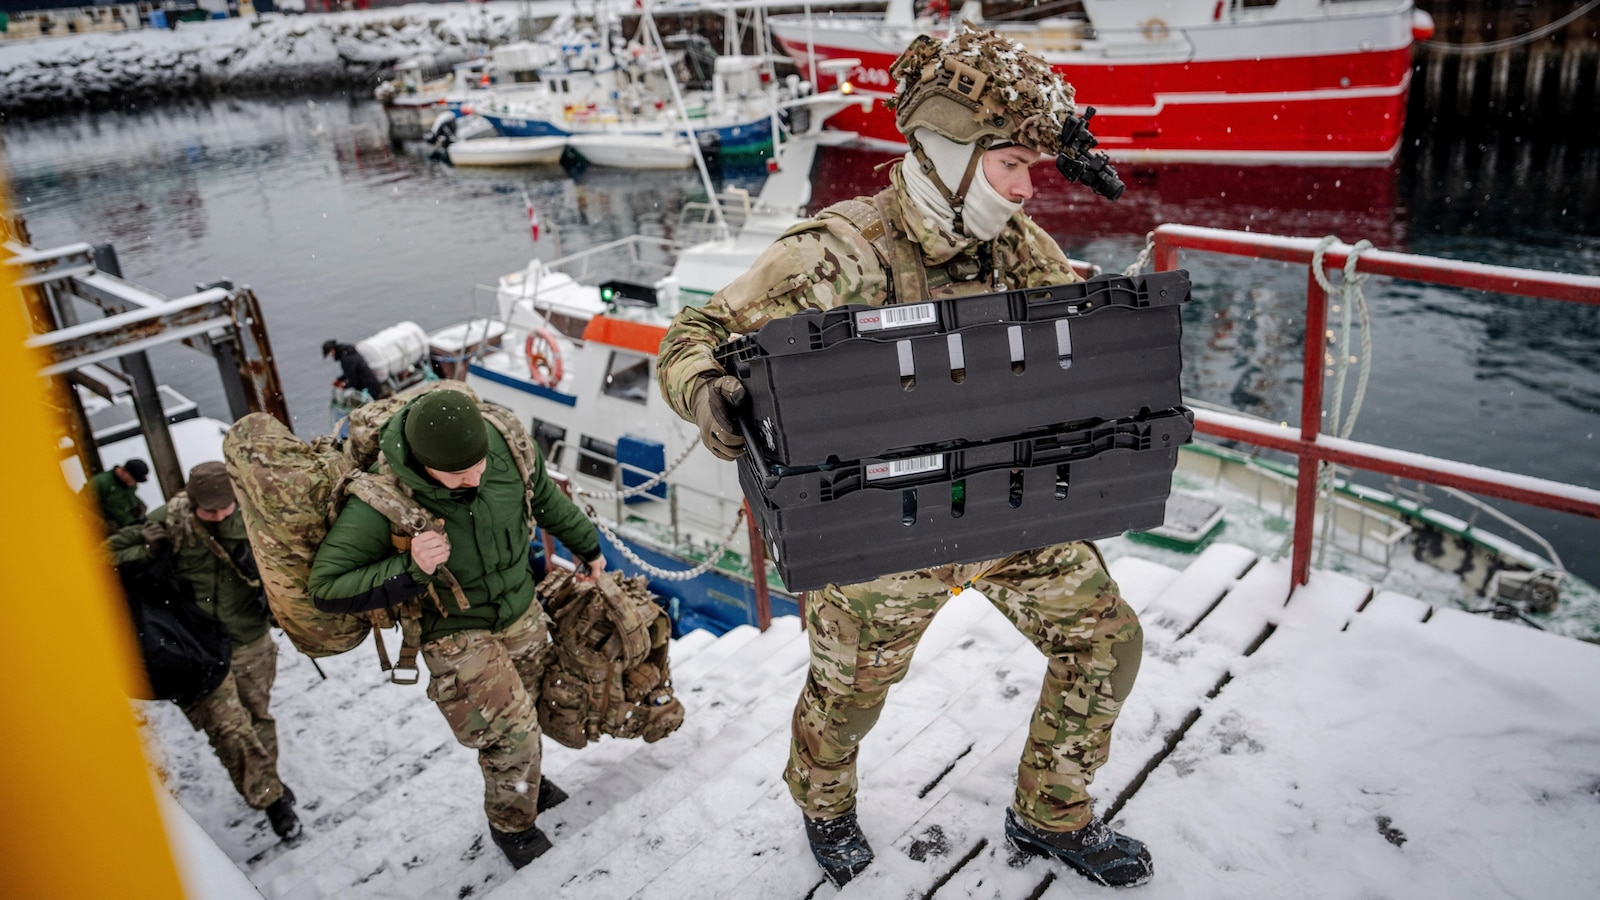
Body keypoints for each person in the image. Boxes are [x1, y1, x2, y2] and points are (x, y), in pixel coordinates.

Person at [656, 25, 1152, 889]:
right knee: (847, 697)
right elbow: (693, 332)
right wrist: (706, 390)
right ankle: (824, 805)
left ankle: (1051, 812)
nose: (1027, 189)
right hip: (882, 525)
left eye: (1031, 169)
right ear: (950, 155)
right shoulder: (837, 252)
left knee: (1107, 641)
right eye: (1011, 166)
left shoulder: (1015, 244)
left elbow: (1066, 337)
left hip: (1006, 506)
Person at [307, 389, 606, 869]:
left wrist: (587, 547)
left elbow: (545, 499)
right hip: (453, 628)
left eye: (479, 464)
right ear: (426, 466)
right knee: (512, 734)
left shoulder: (506, 442)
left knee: (532, 706)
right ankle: (513, 827)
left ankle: (524, 780)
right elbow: (326, 587)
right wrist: (410, 567)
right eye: (459, 474)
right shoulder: (383, 499)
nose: (475, 478)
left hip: (518, 606)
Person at [107, 461, 301, 840]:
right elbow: (99, 556)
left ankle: (268, 777)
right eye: (208, 511)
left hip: (250, 638)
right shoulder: (170, 520)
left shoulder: (255, 515)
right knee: (229, 730)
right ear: (192, 500)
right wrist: (145, 549)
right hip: (198, 650)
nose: (218, 516)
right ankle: (269, 798)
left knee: (256, 717)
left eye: (225, 508)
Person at [85, 458, 150, 532]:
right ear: (125, 472)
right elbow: (79, 508)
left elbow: (127, 497)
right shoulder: (99, 483)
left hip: (131, 525)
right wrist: (103, 525)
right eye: (134, 479)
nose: (134, 483)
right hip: (104, 533)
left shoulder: (128, 484)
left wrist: (139, 505)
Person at [322, 338, 391, 400]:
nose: (330, 356)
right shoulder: (349, 352)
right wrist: (339, 379)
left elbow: (354, 381)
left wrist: (343, 386)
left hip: (369, 389)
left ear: (332, 350)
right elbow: (350, 372)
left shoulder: (346, 359)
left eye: (329, 354)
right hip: (373, 383)